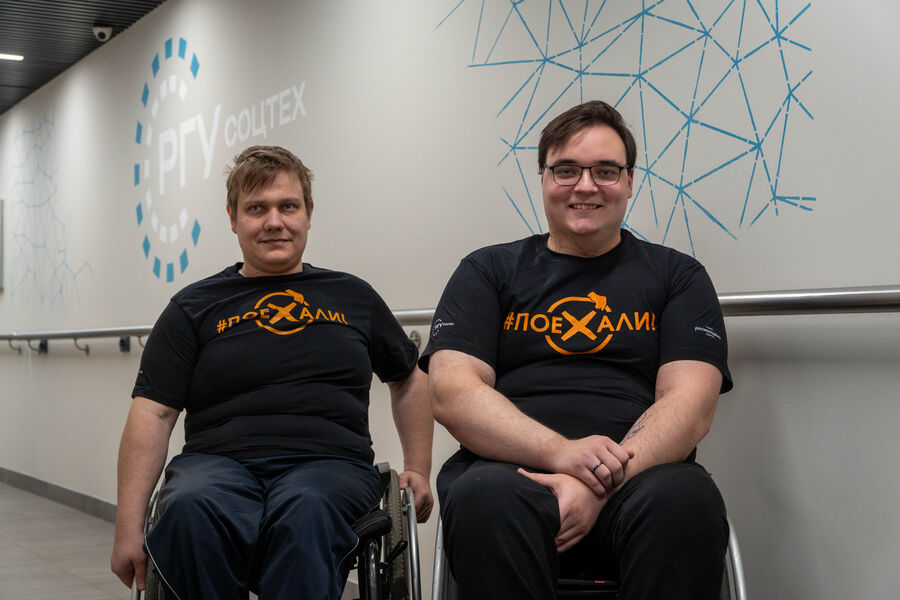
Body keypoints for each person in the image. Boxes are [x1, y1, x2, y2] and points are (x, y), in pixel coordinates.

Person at [420, 100, 733, 599]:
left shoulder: (679, 276)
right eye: (566, 170)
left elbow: (690, 406)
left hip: (640, 480)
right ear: (543, 178)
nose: (585, 186)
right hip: (509, 476)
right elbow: (453, 393)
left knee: (687, 502)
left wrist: (596, 485)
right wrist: (563, 454)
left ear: (629, 181)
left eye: (605, 171)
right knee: (482, 496)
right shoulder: (486, 271)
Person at [110, 145, 434, 600]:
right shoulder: (193, 308)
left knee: (307, 510)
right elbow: (153, 412)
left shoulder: (352, 297)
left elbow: (409, 378)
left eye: (288, 207)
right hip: (216, 465)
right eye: (257, 209)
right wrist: (128, 527)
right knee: (190, 506)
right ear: (233, 217)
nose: (274, 222)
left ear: (308, 213)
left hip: (329, 467)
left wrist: (418, 467)